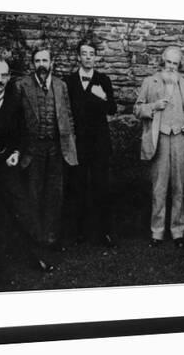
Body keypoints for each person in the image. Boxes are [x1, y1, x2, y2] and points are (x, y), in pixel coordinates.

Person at [0, 58, 53, 276]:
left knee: (21, 208)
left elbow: (22, 132)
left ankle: (36, 256)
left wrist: (16, 153)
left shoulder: (14, 100)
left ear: (9, 77)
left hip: (8, 164)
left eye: (3, 76)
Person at [134, 46, 184, 248]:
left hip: (181, 139)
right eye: (169, 62)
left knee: (179, 187)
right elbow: (137, 109)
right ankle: (157, 231)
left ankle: (178, 231)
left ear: (180, 65)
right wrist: (153, 107)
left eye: (175, 63)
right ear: (163, 61)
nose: (171, 67)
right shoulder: (150, 82)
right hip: (159, 138)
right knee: (159, 187)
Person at [15, 46, 78, 251]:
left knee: (54, 194)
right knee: (33, 193)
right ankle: (36, 238)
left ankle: (51, 238)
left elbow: (68, 116)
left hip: (56, 148)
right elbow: (15, 120)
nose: (41, 65)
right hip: (33, 149)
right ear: (33, 64)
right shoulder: (22, 85)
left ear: (52, 63)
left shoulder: (61, 85)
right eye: (38, 61)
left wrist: (69, 145)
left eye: (45, 61)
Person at [65, 39, 118, 247]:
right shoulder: (68, 82)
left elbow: (112, 109)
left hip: (99, 143)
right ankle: (79, 232)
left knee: (101, 187)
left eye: (91, 53)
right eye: (84, 53)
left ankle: (104, 232)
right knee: (77, 187)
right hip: (78, 142)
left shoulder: (103, 80)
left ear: (96, 57)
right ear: (79, 56)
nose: (88, 57)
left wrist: (102, 96)